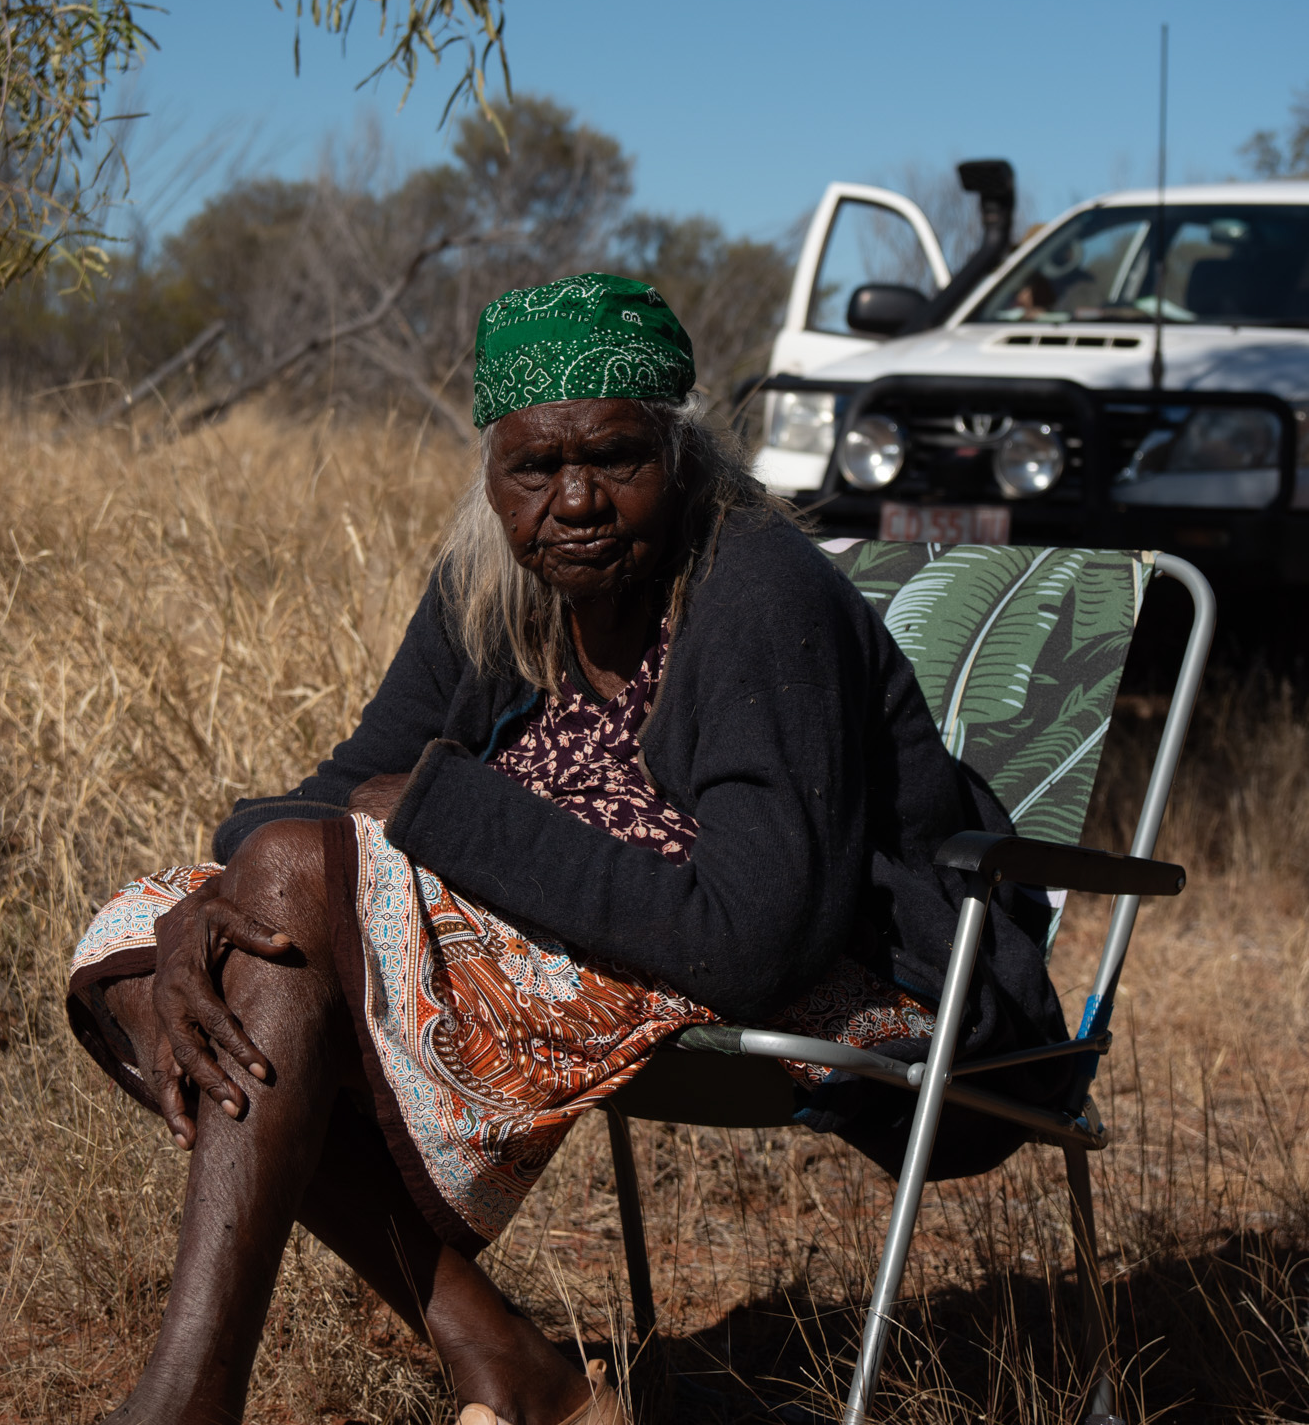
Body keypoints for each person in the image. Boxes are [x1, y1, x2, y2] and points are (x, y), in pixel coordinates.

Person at [67, 272, 1069, 1425]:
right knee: (147, 955)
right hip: (614, 937)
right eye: (534, 468)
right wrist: (222, 885)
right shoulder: (496, 578)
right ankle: (500, 1359)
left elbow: (750, 938)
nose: (576, 498)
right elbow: (341, 784)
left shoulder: (753, 591)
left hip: (855, 989)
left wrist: (436, 814)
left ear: (680, 453)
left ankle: (189, 1398)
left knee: (295, 878)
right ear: (492, 472)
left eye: (615, 457)